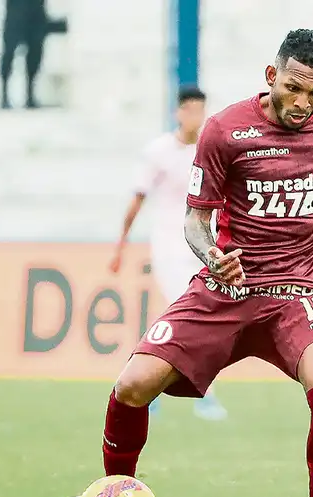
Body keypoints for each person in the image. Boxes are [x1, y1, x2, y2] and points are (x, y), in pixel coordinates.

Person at [42, 29, 313, 497]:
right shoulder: (226, 130)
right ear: (271, 76)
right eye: (293, 88)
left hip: (300, 289)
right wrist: (212, 256)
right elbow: (195, 220)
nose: (303, 103)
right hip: (227, 288)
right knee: (133, 385)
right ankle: (106, 496)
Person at [108, 85, 228, 421]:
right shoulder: (158, 152)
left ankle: (150, 384)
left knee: (194, 318)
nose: (195, 117)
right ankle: (193, 393)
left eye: (200, 110)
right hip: (169, 245)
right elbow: (137, 200)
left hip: (203, 245)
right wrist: (120, 246)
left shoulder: (210, 149)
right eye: (189, 110)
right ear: (178, 112)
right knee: (187, 313)